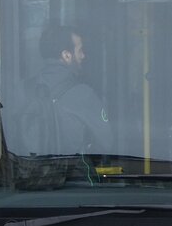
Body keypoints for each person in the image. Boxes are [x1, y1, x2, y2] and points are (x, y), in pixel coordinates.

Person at [29, 23, 112, 155]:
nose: (83, 56)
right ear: (67, 55)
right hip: (69, 174)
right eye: (80, 50)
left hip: (25, 173)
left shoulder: (22, 90)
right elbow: (106, 145)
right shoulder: (84, 95)